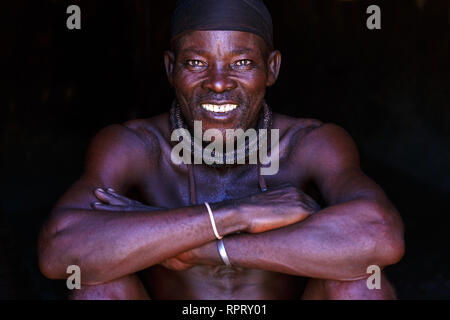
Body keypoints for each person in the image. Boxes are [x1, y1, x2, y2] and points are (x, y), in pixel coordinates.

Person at [37, 0, 404, 300]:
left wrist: (199, 249)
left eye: (242, 63)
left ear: (271, 69)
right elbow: (59, 251)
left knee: (359, 285)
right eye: (196, 63)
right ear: (170, 68)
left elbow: (379, 234)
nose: (217, 83)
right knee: (97, 287)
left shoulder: (309, 143)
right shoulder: (136, 146)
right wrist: (236, 215)